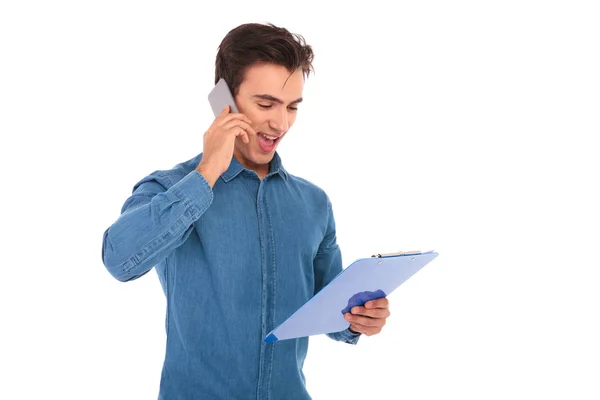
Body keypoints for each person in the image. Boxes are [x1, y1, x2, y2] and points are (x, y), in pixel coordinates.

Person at [101, 22, 391, 399]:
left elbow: (330, 313)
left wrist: (359, 319)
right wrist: (207, 173)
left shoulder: (314, 203)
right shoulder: (170, 189)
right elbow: (118, 259)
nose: (281, 123)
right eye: (266, 103)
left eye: (292, 107)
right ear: (225, 102)